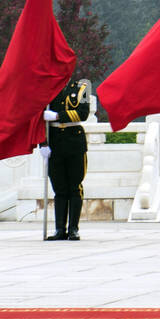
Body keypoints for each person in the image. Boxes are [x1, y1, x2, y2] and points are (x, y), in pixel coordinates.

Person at [43, 79, 90, 241]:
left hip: (74, 142)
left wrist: (58, 116)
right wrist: (42, 143)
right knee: (59, 188)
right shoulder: (47, 87)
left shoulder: (83, 87)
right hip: (54, 142)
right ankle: (59, 229)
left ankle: (73, 229)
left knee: (74, 187)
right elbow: (38, 116)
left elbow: (83, 113)